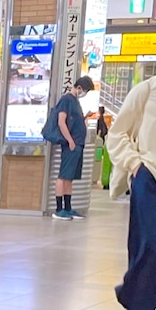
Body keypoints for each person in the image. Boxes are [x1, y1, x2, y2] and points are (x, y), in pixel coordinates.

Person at [108, 39, 156, 310]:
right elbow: (117, 134)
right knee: (155, 247)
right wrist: (135, 165)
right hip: (151, 178)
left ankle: (136, 301)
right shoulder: (146, 92)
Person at [52, 75, 94, 219]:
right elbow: (61, 122)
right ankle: (59, 209)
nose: (84, 93)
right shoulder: (66, 100)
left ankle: (68, 208)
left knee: (69, 177)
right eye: (85, 90)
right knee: (63, 175)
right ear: (79, 87)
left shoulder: (75, 101)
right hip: (71, 144)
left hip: (78, 144)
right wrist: (70, 140)